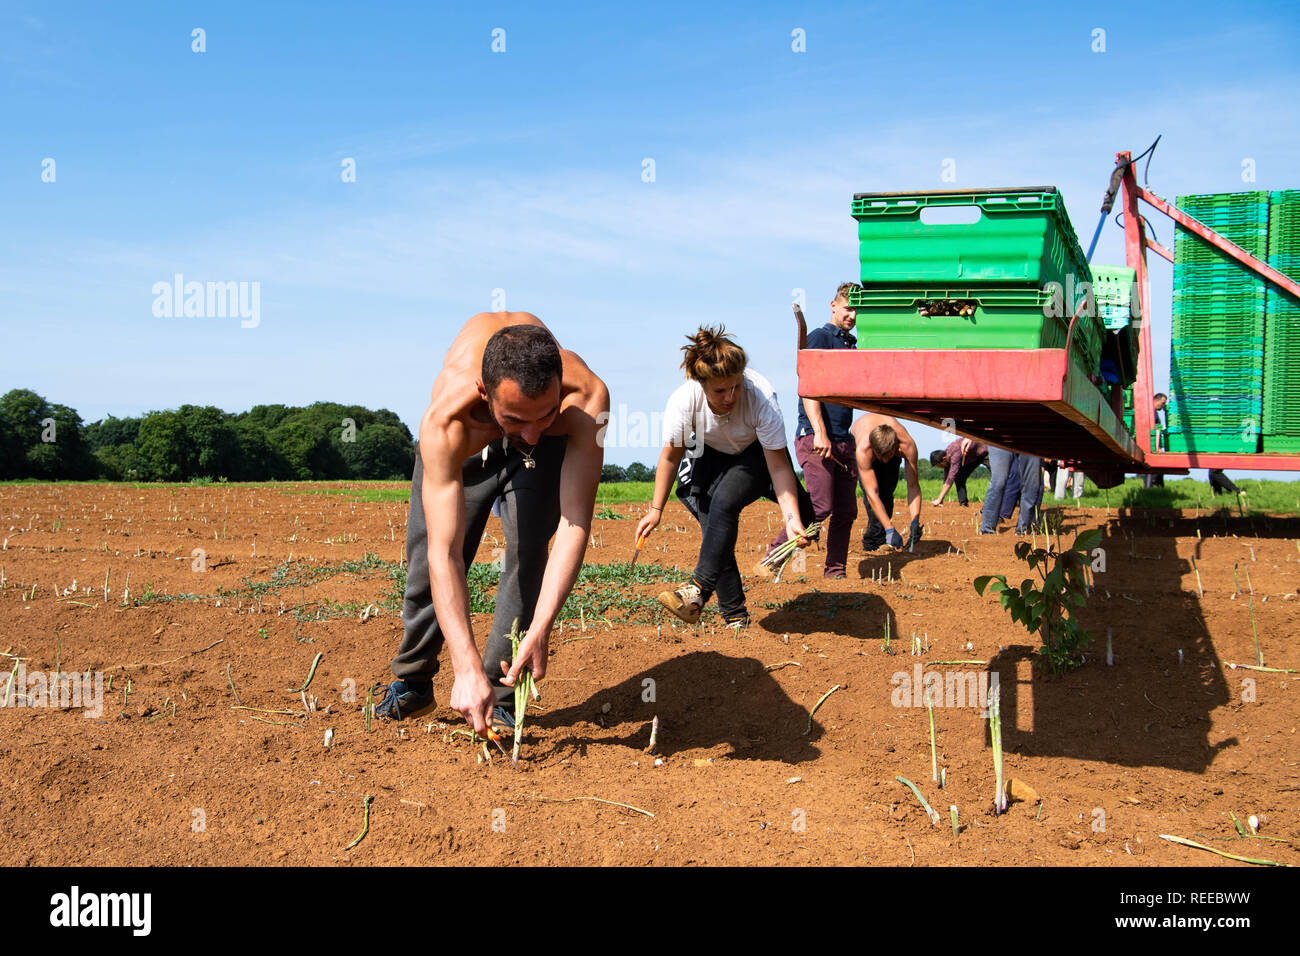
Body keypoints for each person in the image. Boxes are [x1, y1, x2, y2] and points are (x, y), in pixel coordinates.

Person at [374, 314, 609, 737]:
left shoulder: (587, 399)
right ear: (485, 393)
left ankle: (499, 696)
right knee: (431, 554)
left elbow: (575, 524)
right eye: (517, 419)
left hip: (534, 423)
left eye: (547, 415)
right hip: (473, 437)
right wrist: (463, 666)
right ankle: (414, 680)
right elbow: (444, 553)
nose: (533, 434)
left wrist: (542, 626)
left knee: (529, 549)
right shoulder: (447, 422)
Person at [636, 326, 814, 628]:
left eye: (735, 387)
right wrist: (656, 510)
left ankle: (696, 591)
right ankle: (735, 617)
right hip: (708, 452)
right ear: (701, 384)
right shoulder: (684, 402)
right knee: (715, 533)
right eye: (720, 391)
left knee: (724, 503)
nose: (730, 396)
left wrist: (791, 517)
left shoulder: (761, 397)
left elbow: (780, 466)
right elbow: (670, 456)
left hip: (755, 454)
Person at [761, 282, 861, 578]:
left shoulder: (851, 344)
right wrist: (819, 431)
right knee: (820, 505)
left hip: (843, 440)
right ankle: (773, 556)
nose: (853, 315)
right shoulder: (821, 337)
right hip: (815, 438)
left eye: (857, 310)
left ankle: (835, 572)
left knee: (847, 511)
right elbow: (809, 390)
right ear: (833, 305)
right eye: (848, 308)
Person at [853, 413, 922, 551]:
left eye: (888, 456)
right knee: (873, 502)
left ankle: (883, 536)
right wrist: (890, 529)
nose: (884, 461)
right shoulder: (863, 450)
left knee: (887, 492)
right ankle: (873, 542)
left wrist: (915, 520)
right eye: (881, 457)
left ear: (896, 448)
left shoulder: (907, 445)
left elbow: (913, 486)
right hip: (863, 440)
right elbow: (872, 494)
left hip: (888, 449)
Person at [980, 447, 1043, 534]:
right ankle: (987, 530)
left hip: (1030, 438)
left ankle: (1023, 530)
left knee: (1031, 485)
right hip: (1000, 438)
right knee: (998, 482)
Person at [930, 437, 988, 507]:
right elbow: (946, 480)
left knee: (998, 477)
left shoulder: (955, 454)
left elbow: (951, 478)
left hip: (985, 451)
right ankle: (963, 504)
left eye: (939, 465)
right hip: (972, 458)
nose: (940, 468)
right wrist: (941, 498)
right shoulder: (946, 458)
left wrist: (939, 499)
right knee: (959, 478)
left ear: (944, 459)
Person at [1144, 393, 1168, 488]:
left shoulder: (1155, 413)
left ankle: (1158, 489)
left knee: (1160, 468)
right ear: (1156, 400)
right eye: (1162, 403)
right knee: (1153, 466)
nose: (1163, 406)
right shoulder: (1149, 412)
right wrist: (1156, 447)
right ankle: (1150, 488)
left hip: (1155, 446)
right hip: (1149, 446)